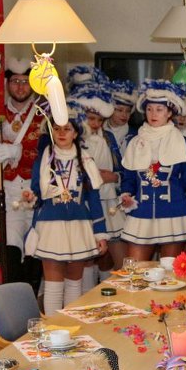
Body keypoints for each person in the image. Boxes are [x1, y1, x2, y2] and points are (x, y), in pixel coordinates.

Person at [21, 103, 108, 315]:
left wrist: (100, 233)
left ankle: (71, 327)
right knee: (53, 286)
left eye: (67, 129)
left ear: (75, 133)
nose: (61, 133)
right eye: (57, 129)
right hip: (50, 224)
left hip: (79, 225)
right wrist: (31, 197)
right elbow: (36, 191)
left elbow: (94, 199)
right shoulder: (44, 158)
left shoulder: (85, 160)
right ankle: (54, 329)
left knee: (74, 284)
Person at [0, 57, 46, 292]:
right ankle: (16, 300)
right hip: (8, 193)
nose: (20, 87)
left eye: (25, 81)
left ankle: (33, 299)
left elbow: (51, 151)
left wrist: (19, 151)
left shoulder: (44, 113)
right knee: (10, 247)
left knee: (37, 248)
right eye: (15, 81)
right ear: (7, 83)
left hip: (36, 190)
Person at [118, 80, 186, 260]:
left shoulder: (183, 142)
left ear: (169, 113)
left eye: (159, 109)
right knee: (136, 269)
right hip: (141, 214)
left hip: (174, 213)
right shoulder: (134, 141)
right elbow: (129, 177)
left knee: (171, 271)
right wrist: (126, 194)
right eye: (149, 109)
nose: (153, 114)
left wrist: (173, 189)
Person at [69, 84, 126, 283]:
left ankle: (117, 291)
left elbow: (122, 169)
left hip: (109, 200)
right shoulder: (73, 140)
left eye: (100, 120)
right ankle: (88, 292)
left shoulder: (108, 138)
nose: (95, 124)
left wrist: (115, 177)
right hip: (85, 201)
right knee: (87, 254)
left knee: (117, 253)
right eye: (91, 118)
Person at [105, 79, 138, 155]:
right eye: (120, 110)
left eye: (128, 111)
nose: (124, 115)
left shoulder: (135, 135)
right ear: (110, 109)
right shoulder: (100, 132)